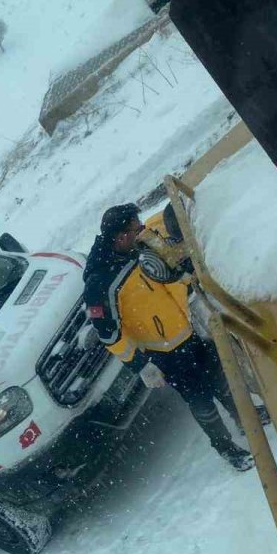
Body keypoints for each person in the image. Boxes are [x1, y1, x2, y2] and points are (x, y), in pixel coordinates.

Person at [83, 202, 258, 471]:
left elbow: (169, 273)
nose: (142, 230)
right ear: (120, 237)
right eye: (135, 228)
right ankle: (227, 448)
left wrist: (188, 281)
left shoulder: (141, 247)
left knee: (222, 380)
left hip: (190, 329)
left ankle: (246, 419)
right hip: (165, 353)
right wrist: (141, 366)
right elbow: (108, 334)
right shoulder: (100, 282)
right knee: (201, 401)